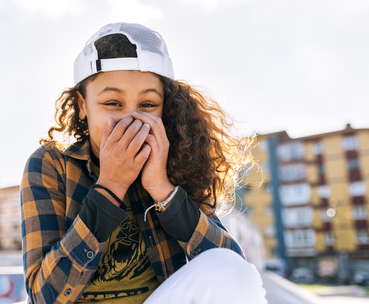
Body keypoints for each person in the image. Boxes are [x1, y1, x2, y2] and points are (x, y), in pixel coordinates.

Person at [21, 22, 267, 304]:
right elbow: (43, 297)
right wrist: (111, 186)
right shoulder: (51, 164)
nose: (130, 119)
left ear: (166, 107)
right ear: (81, 105)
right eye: (113, 103)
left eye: (148, 105)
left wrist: (163, 189)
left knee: (231, 269)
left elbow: (230, 271)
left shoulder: (177, 161)